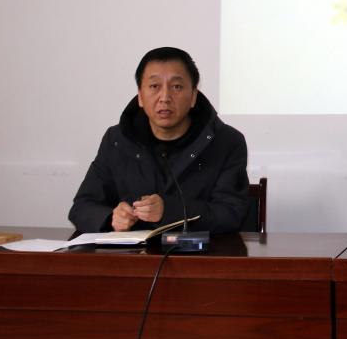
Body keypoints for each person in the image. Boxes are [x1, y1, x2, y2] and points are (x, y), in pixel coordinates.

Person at [69, 47, 250, 234]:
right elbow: (82, 207)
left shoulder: (227, 142)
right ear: (140, 96)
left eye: (176, 87)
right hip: (133, 252)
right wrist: (111, 219)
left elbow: (231, 214)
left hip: (200, 252)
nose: (165, 98)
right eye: (154, 86)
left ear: (193, 96)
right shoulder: (117, 140)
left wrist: (169, 212)